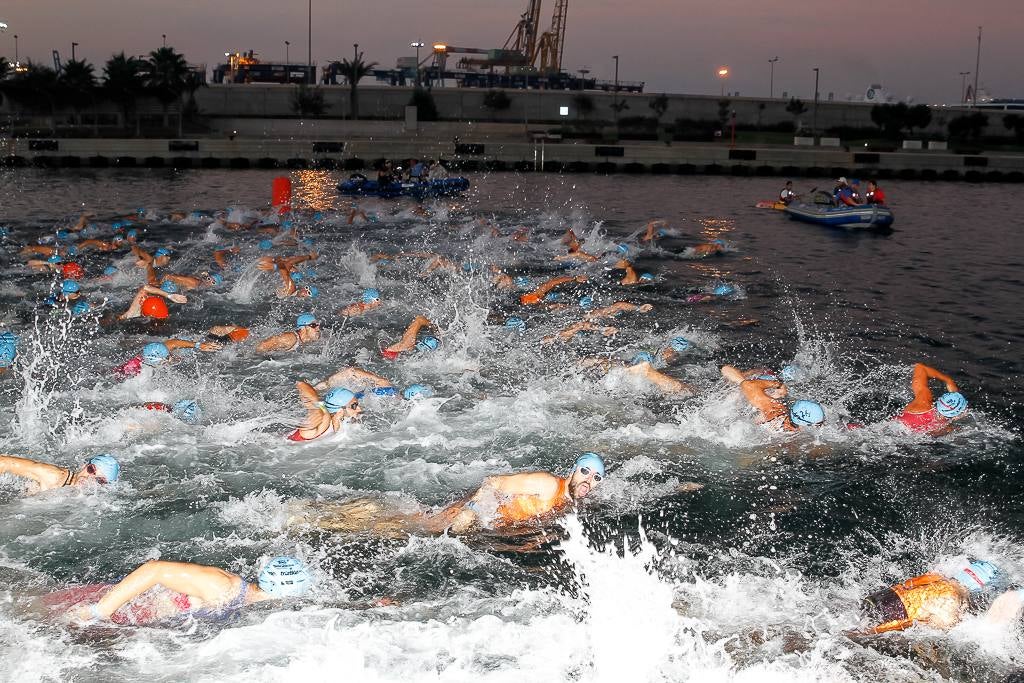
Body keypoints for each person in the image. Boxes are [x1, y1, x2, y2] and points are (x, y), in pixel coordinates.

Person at [295, 453, 607, 536]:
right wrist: (472, 512)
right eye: (585, 472)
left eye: (595, 478)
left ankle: (324, 515)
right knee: (399, 528)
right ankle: (314, 518)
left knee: (406, 522)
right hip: (472, 514)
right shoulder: (547, 484)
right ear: (572, 470)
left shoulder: (571, 502)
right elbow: (494, 482)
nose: (588, 480)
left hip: (488, 525)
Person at [66, 556, 311, 626]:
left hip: (135, 619)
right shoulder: (222, 585)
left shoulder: (242, 601)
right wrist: (99, 610)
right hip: (109, 605)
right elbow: (154, 569)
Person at [859, 560, 1003, 633]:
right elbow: (911, 623)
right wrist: (873, 632)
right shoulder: (953, 609)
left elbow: (908, 583)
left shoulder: (938, 577)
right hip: (896, 615)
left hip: (881, 597)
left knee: (858, 614)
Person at [720, 365, 824, 431]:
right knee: (735, 391)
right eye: (818, 426)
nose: (819, 428)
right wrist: (777, 385)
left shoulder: (796, 423)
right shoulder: (772, 408)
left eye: (819, 425)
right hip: (764, 381)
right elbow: (726, 370)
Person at [894, 363, 967, 436]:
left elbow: (920, 367)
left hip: (891, 426)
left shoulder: (923, 401)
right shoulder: (942, 428)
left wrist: (947, 380)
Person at [0, 453, 120, 493]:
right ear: (85, 465)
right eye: (91, 470)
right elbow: (4, 462)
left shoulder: (84, 501)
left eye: (99, 480)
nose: (90, 478)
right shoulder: (54, 476)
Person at [287, 383, 363, 441]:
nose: (359, 409)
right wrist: (316, 405)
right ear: (340, 409)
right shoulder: (322, 419)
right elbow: (301, 384)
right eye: (354, 406)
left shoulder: (342, 421)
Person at [255, 313, 321, 354]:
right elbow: (261, 346)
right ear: (302, 328)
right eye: (313, 325)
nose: (318, 328)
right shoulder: (290, 338)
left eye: (318, 325)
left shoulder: (308, 340)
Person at [118, 284, 186, 321]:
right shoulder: (131, 313)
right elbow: (145, 288)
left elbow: (145, 288)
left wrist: (169, 295)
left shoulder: (140, 306)